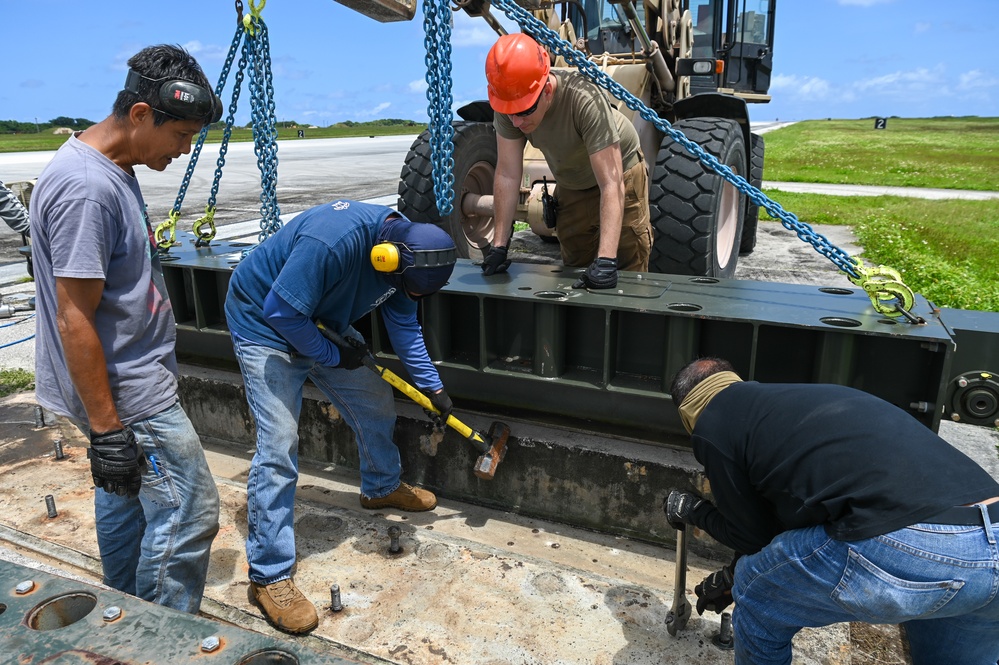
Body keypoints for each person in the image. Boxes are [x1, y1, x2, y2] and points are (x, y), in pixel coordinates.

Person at [30, 44, 223, 614]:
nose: (185, 150)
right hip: (128, 393)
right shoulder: (88, 189)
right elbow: (75, 316)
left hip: (125, 383)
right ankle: (158, 635)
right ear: (141, 115)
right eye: (182, 135)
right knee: (192, 508)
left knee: (126, 502)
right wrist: (110, 430)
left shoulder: (110, 168)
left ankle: (120, 616)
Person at [663, 357, 999, 665]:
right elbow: (774, 530)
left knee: (757, 594)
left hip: (918, 542)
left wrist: (693, 510)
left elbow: (752, 537)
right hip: (990, 530)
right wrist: (729, 578)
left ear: (687, 409)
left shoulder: (713, 424)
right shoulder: (791, 405)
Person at [224, 199, 458, 634]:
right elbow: (281, 311)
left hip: (320, 320)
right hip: (264, 321)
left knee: (374, 400)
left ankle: (381, 486)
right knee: (278, 444)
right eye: (410, 290)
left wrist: (434, 388)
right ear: (385, 259)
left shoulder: (408, 258)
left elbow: (405, 326)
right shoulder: (331, 243)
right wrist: (332, 354)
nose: (412, 298)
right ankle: (268, 575)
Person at [481, 32, 653, 290]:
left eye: (525, 111)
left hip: (622, 174)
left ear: (547, 90)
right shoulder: (511, 101)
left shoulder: (583, 97)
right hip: (571, 182)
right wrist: (500, 245)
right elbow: (507, 174)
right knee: (574, 266)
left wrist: (606, 260)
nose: (516, 122)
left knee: (628, 270)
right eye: (510, 113)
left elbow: (611, 182)